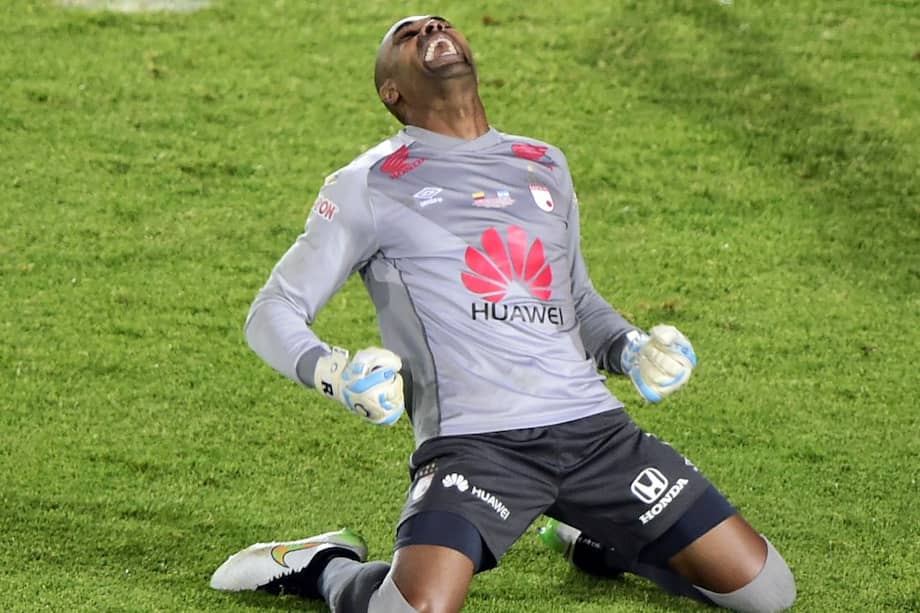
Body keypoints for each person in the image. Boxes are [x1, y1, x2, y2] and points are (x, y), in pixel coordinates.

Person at [209, 15, 796, 613]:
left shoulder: (543, 163)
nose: (430, 25)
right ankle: (324, 565)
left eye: (436, 22)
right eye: (406, 35)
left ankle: (596, 541)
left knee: (767, 592)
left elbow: (578, 302)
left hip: (596, 434)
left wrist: (630, 347)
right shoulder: (367, 184)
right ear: (393, 92)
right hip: (474, 446)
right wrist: (333, 372)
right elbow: (272, 310)